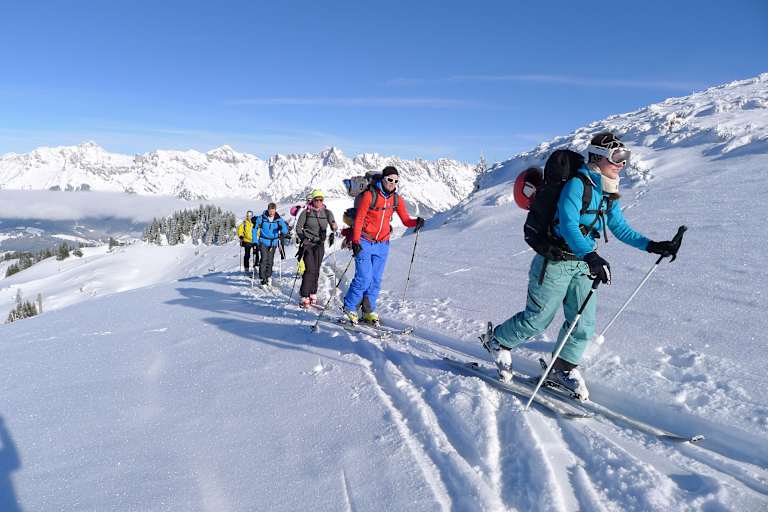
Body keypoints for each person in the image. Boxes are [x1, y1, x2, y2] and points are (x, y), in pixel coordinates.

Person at [481, 132, 682, 399]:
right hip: (555, 261)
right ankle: (497, 341)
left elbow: (618, 227)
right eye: (617, 157)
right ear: (598, 157)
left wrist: (653, 245)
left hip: (583, 264)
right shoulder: (577, 184)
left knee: (583, 324)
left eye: (626, 157)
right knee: (538, 319)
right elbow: (568, 224)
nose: (622, 163)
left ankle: (561, 368)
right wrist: (591, 256)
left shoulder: (606, 190)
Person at [342, 166, 424, 326]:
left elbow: (405, 220)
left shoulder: (396, 199)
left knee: (376, 280)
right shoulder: (369, 196)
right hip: (364, 241)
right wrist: (356, 241)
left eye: (395, 181)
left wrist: (416, 222)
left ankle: (368, 311)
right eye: (389, 179)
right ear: (383, 179)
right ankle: (349, 307)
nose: (392, 183)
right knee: (363, 278)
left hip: (383, 244)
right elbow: (359, 219)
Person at [295, 190, 338, 307]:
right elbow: (298, 228)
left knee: (317, 269)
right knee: (310, 269)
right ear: (312, 200)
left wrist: (334, 226)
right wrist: (303, 238)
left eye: (321, 200)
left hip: (320, 244)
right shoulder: (306, 213)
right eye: (316, 200)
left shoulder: (327, 212)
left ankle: (313, 292)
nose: (318, 202)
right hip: (308, 244)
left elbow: (333, 222)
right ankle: (304, 295)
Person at [254, 203, 289, 287]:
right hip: (263, 241)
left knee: (270, 261)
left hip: (273, 243)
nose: (271, 212)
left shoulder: (278, 219)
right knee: (264, 260)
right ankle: (262, 279)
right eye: (270, 210)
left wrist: (282, 228)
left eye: (273, 210)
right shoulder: (262, 218)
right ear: (268, 209)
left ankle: (268, 276)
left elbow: (285, 230)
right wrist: (255, 241)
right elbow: (255, 229)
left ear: (275, 210)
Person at [236, 210, 259, 275]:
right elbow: (240, 230)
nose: (249, 217)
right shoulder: (244, 223)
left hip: (255, 241)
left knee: (256, 254)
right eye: (248, 216)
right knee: (247, 255)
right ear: (246, 216)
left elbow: (258, 231)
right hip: (247, 241)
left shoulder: (255, 223)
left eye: (250, 215)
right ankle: (246, 268)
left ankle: (256, 266)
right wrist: (241, 236)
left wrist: (260, 236)